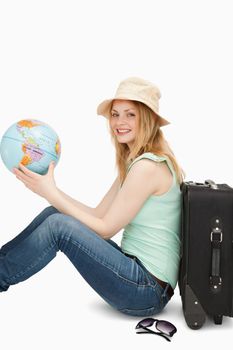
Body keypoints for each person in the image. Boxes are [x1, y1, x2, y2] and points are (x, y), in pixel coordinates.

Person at [0, 77, 185, 317]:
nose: (119, 122)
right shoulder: (136, 161)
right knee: (54, 214)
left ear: (147, 119)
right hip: (136, 275)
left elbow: (106, 229)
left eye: (130, 114)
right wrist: (51, 194)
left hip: (146, 291)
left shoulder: (147, 168)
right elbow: (99, 214)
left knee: (59, 225)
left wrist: (51, 192)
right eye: (115, 114)